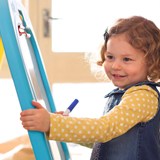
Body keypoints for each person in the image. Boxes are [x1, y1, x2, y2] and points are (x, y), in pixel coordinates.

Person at [20, 16, 160, 160]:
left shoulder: (143, 96)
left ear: (151, 62)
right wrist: (61, 126)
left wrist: (52, 123)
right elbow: (104, 141)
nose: (115, 66)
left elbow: (104, 128)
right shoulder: (126, 95)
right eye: (110, 57)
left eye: (126, 59)